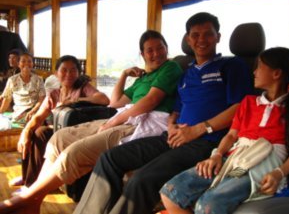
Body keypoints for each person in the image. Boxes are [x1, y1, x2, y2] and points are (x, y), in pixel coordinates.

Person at [72, 12, 254, 214]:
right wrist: (171, 126)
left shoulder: (232, 66)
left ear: (218, 37)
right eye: (195, 35)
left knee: (142, 179)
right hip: (172, 136)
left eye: (208, 34)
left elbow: (241, 107)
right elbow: (176, 110)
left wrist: (198, 130)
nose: (201, 40)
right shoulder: (187, 73)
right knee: (109, 158)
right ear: (187, 39)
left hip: (207, 142)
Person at [0, 30, 183, 214]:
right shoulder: (143, 78)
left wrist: (112, 122)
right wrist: (124, 75)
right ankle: (35, 198)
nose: (156, 53)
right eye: (149, 50)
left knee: (74, 152)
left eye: (160, 48)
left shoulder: (171, 67)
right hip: (125, 116)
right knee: (59, 138)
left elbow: (149, 101)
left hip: (145, 122)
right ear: (142, 54)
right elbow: (115, 102)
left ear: (167, 48)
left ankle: (28, 199)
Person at [160, 47, 289, 214]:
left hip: (263, 163)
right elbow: (232, 135)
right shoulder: (248, 102)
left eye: (260, 67)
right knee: (171, 191)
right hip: (234, 157)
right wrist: (217, 155)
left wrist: (279, 173)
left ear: (276, 74)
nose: (254, 72)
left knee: (208, 205)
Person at [8, 54, 109, 189]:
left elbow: (104, 99)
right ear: (56, 73)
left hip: (76, 135)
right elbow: (38, 117)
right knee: (32, 131)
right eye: (64, 70)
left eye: (73, 70)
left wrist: (76, 100)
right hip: (58, 132)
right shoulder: (54, 94)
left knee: (41, 133)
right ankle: (28, 176)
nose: (69, 74)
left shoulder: (83, 88)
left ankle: (32, 186)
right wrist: (25, 132)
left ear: (78, 73)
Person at [0, 52, 45, 122]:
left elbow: (41, 99)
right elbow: (7, 99)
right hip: (19, 113)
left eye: (29, 61)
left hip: (34, 112)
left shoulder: (38, 79)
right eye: (23, 61)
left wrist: (33, 111)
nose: (26, 64)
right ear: (18, 64)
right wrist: (0, 113)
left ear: (33, 64)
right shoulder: (12, 80)